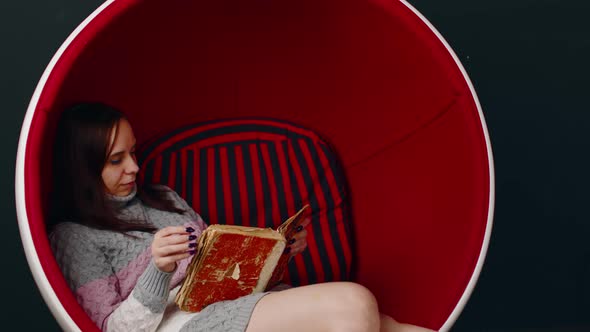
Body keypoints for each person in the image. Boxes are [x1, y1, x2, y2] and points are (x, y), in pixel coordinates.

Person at [49, 102, 435, 332]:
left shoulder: (163, 197)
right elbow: (113, 330)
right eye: (116, 160)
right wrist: (158, 268)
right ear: (82, 166)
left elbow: (219, 268)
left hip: (231, 301)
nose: (134, 167)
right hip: (185, 325)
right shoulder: (74, 236)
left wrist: (279, 252)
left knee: (387, 326)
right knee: (354, 303)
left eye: (133, 152)